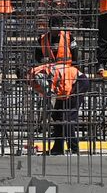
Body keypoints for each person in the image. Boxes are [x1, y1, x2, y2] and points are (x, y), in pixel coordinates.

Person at [28, 23, 81, 154]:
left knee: (67, 116)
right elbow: (47, 89)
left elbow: (75, 55)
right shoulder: (42, 39)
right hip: (62, 80)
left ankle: (74, 149)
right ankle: (58, 147)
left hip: (73, 80)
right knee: (57, 114)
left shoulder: (68, 37)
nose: (56, 32)